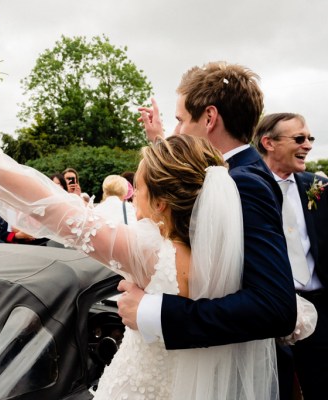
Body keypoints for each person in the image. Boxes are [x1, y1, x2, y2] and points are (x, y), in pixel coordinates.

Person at [0, 114, 294, 398]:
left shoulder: (148, 250)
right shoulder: (236, 251)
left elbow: (50, 208)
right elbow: (282, 311)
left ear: (160, 203)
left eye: (138, 189)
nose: (134, 199)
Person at [133, 62, 298, 399]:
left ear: (209, 118)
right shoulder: (229, 175)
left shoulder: (242, 184)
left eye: (181, 120)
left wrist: (155, 312)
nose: (177, 132)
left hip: (232, 379)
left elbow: (273, 307)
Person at [254, 113, 328, 399]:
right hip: (271, 313)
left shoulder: (318, 188)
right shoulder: (247, 186)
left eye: (310, 138)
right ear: (268, 143)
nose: (307, 144)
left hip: (321, 313)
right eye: (299, 138)